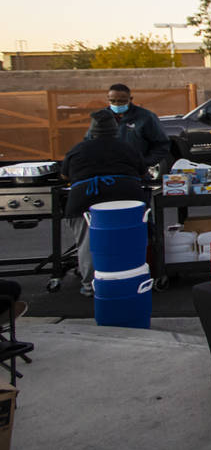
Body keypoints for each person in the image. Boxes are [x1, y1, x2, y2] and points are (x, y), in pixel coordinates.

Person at [62, 111, 147, 296]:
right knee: (128, 240)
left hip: (85, 199)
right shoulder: (127, 148)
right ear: (115, 130)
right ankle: (129, 279)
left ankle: (91, 285)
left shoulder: (78, 149)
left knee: (89, 243)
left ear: (91, 130)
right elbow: (142, 172)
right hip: (127, 198)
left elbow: (64, 175)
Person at [105, 83, 171, 170]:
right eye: (113, 101)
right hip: (107, 171)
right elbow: (90, 142)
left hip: (135, 171)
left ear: (130, 99)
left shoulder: (146, 117)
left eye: (122, 101)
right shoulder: (101, 118)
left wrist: (144, 162)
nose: (117, 104)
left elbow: (162, 144)